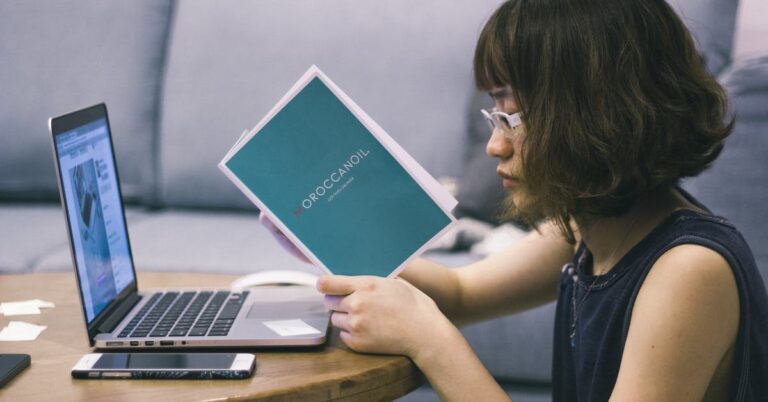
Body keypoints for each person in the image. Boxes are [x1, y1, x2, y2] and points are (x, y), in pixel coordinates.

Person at [263, 0, 768, 400]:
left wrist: (430, 339)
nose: (495, 145)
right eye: (495, 115)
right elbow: (460, 293)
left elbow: (442, 319)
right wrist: (337, 236)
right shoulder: (586, 229)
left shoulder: (688, 269)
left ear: (600, 118)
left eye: (513, 117)